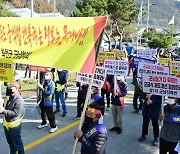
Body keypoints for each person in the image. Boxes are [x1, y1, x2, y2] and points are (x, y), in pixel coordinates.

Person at [0, 82, 25, 154]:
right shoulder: (9, 96)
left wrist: (3, 111)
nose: (9, 89)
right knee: (11, 144)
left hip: (14, 127)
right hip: (7, 125)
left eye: (11, 88)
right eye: (8, 87)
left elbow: (15, 113)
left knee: (18, 145)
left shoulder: (19, 100)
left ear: (16, 89)